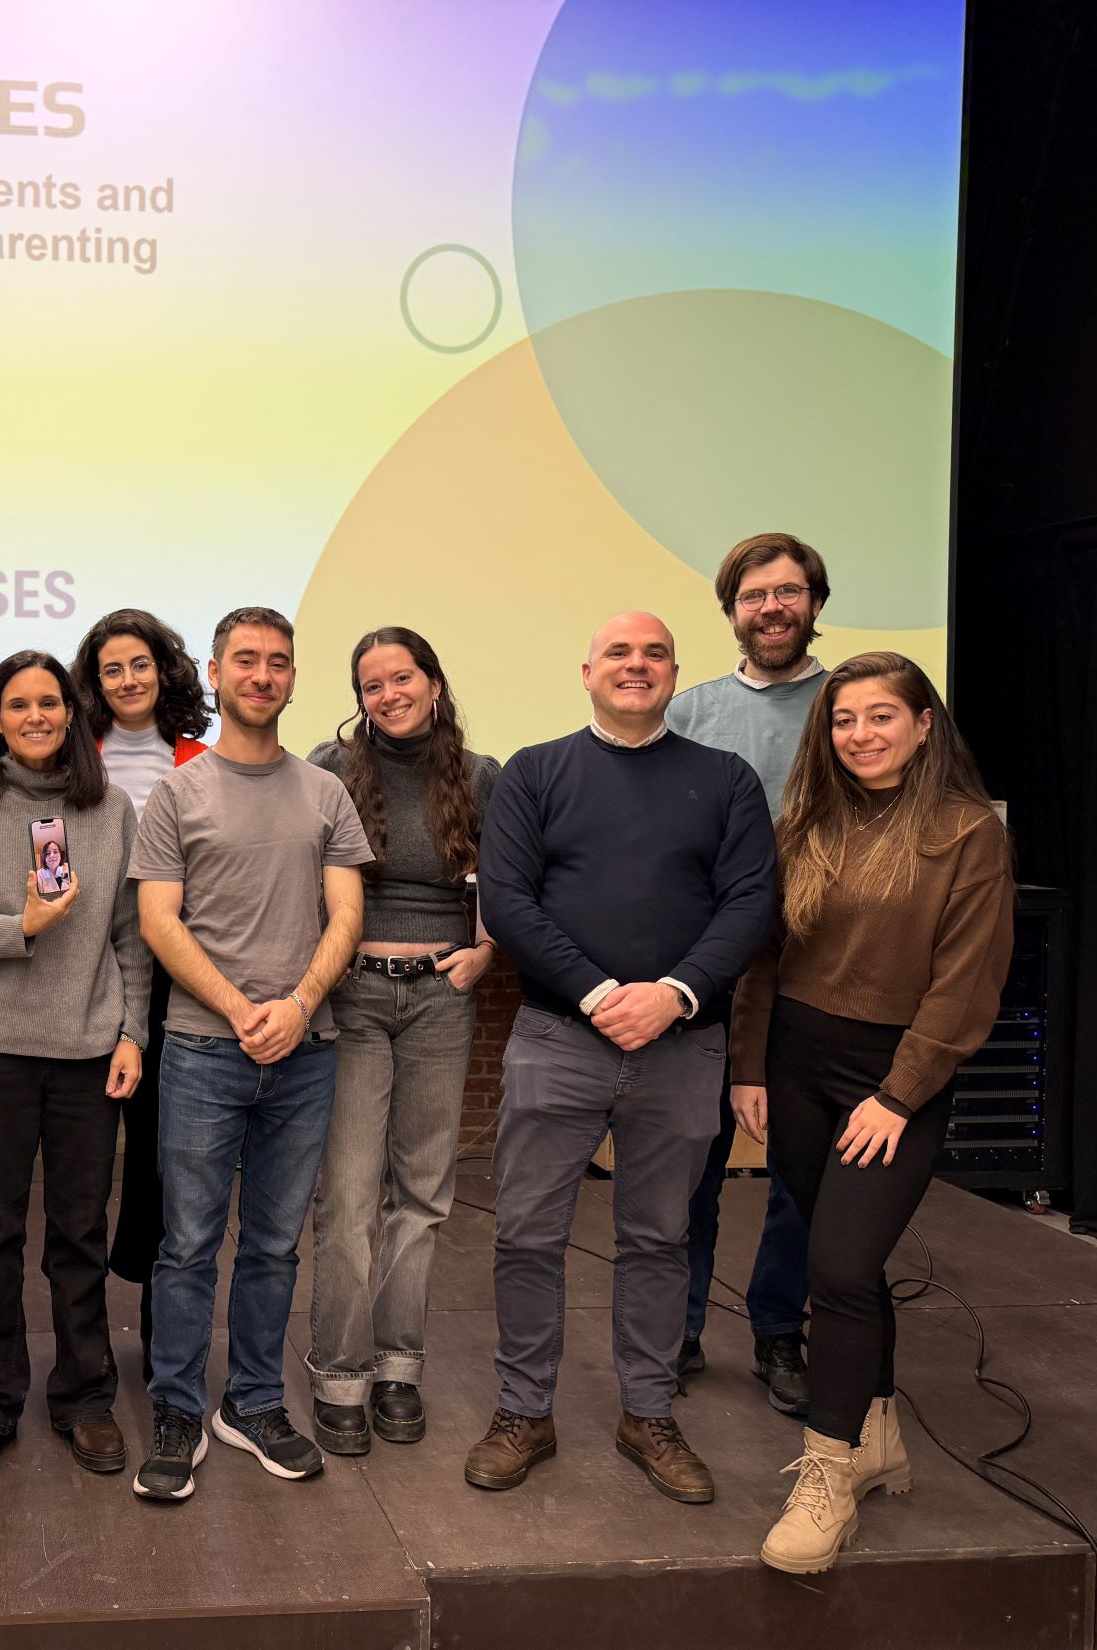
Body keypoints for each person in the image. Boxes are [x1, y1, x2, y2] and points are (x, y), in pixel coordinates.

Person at [467, 611, 775, 1506]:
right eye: (618, 653)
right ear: (587, 670)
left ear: (676, 672)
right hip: (560, 1038)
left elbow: (750, 905)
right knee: (526, 1234)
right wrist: (604, 995)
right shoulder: (536, 771)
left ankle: (649, 1413)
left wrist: (674, 993)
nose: (635, 666)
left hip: (683, 1047)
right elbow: (511, 902)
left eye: (652, 654)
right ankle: (525, 1411)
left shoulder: (725, 780)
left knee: (659, 1238)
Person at [738, 654, 1013, 1572]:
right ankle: (880, 1431)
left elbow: (965, 983)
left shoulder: (968, 833)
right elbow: (766, 955)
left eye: (881, 716)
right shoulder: (805, 820)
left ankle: (827, 1474)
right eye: (844, 719)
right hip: (797, 1061)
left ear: (924, 725)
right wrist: (750, 1066)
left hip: (895, 1077)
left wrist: (899, 1094)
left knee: (844, 1267)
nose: (860, 734)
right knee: (838, 1258)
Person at [129, 606, 372, 1501]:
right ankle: (178, 1409)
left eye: (278, 662)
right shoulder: (177, 793)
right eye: (246, 661)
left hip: (308, 1052)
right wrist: (241, 1010)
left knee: (273, 1245)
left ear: (293, 677)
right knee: (187, 1244)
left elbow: (346, 912)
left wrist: (300, 1005)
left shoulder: (325, 792)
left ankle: (255, 1403)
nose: (262, 675)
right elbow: (158, 920)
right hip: (202, 1050)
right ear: (218, 672)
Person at [0, 652, 151, 1483]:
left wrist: (132, 1033)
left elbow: (131, 932)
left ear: (71, 714)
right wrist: (16, 926)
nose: (36, 716)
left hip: (89, 1051)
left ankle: (85, 1396)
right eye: (18, 704)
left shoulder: (112, 808)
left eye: (49, 702)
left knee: (80, 1235)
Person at [305, 627, 500, 1455]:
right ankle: (339, 1373)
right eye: (371, 685)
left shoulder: (480, 775)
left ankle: (398, 1368)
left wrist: (485, 948)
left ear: (433, 681)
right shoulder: (331, 767)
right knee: (348, 1197)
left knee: (421, 1196)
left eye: (402, 678)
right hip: (352, 995)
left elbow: (506, 873)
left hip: (439, 1001)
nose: (388, 694)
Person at [666, 531, 835, 1415]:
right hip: (714, 973)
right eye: (755, 595)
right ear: (731, 611)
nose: (773, 607)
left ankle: (779, 1331)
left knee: (799, 1175)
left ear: (815, 602)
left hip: (818, 975)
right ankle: (679, 1329)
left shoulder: (853, 706)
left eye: (789, 591)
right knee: (694, 1168)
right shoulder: (689, 713)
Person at [69, 608, 210, 1378]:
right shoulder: (67, 759)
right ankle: (83, 1354)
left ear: (166, 673)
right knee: (85, 1171)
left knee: (164, 1168)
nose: (127, 681)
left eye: (140, 666)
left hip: (172, 986)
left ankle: (167, 1346)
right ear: (92, 682)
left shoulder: (199, 762)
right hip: (84, 977)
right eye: (110, 669)